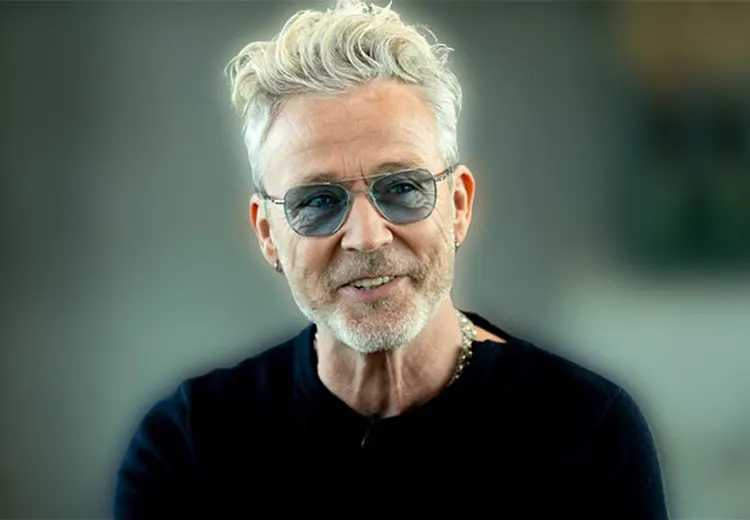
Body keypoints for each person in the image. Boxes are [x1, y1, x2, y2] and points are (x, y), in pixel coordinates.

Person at [113, 0, 668, 516]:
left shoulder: (588, 433)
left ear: (458, 205)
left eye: (402, 188)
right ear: (267, 233)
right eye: (318, 201)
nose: (367, 236)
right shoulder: (187, 446)